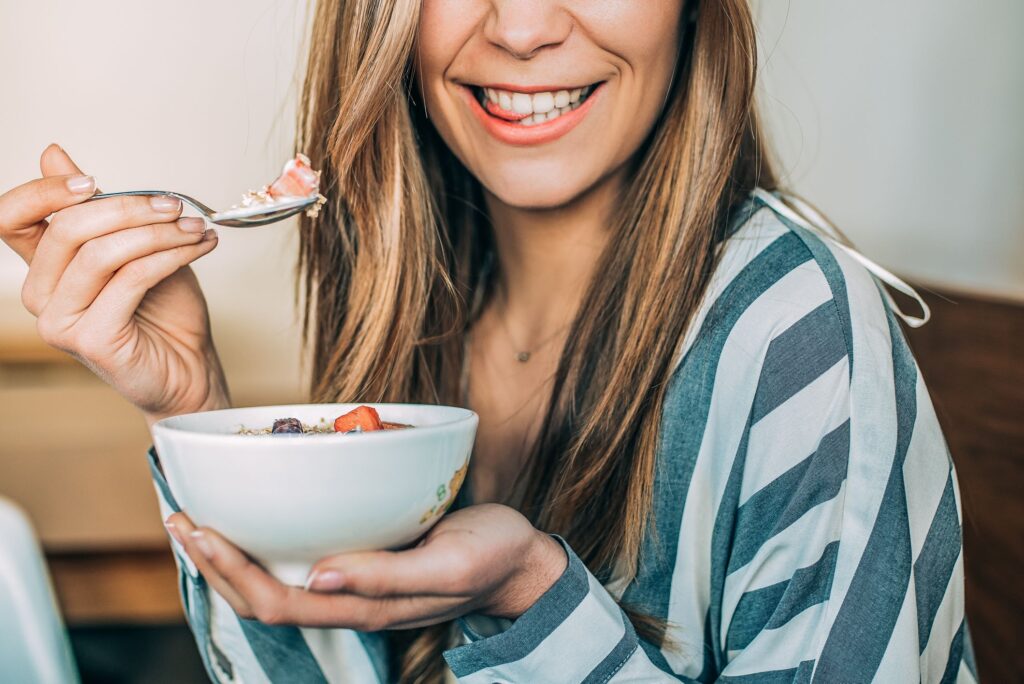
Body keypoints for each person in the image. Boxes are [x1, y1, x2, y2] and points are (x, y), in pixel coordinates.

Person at [0, 1, 977, 682]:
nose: (519, 27)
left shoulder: (799, 337)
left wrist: (532, 597)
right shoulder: (413, 306)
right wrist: (196, 415)